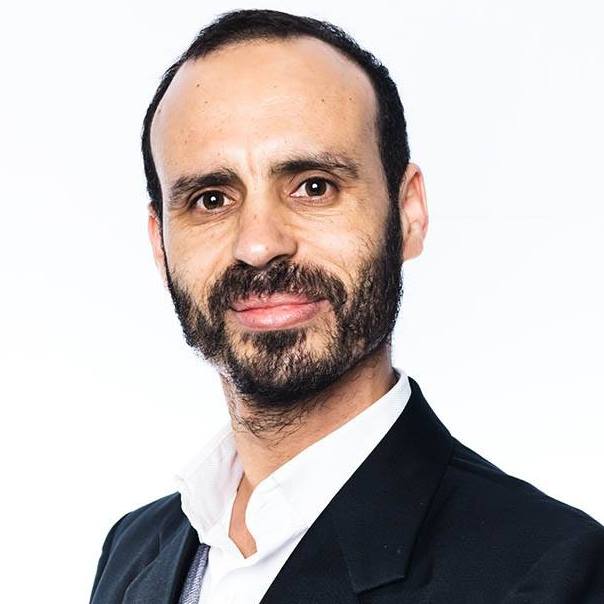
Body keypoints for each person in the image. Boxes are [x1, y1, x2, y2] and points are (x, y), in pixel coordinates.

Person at [90, 8, 604, 603]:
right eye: (211, 199)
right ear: (160, 244)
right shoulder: (133, 550)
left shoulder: (551, 573)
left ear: (408, 213)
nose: (258, 244)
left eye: (314, 186)